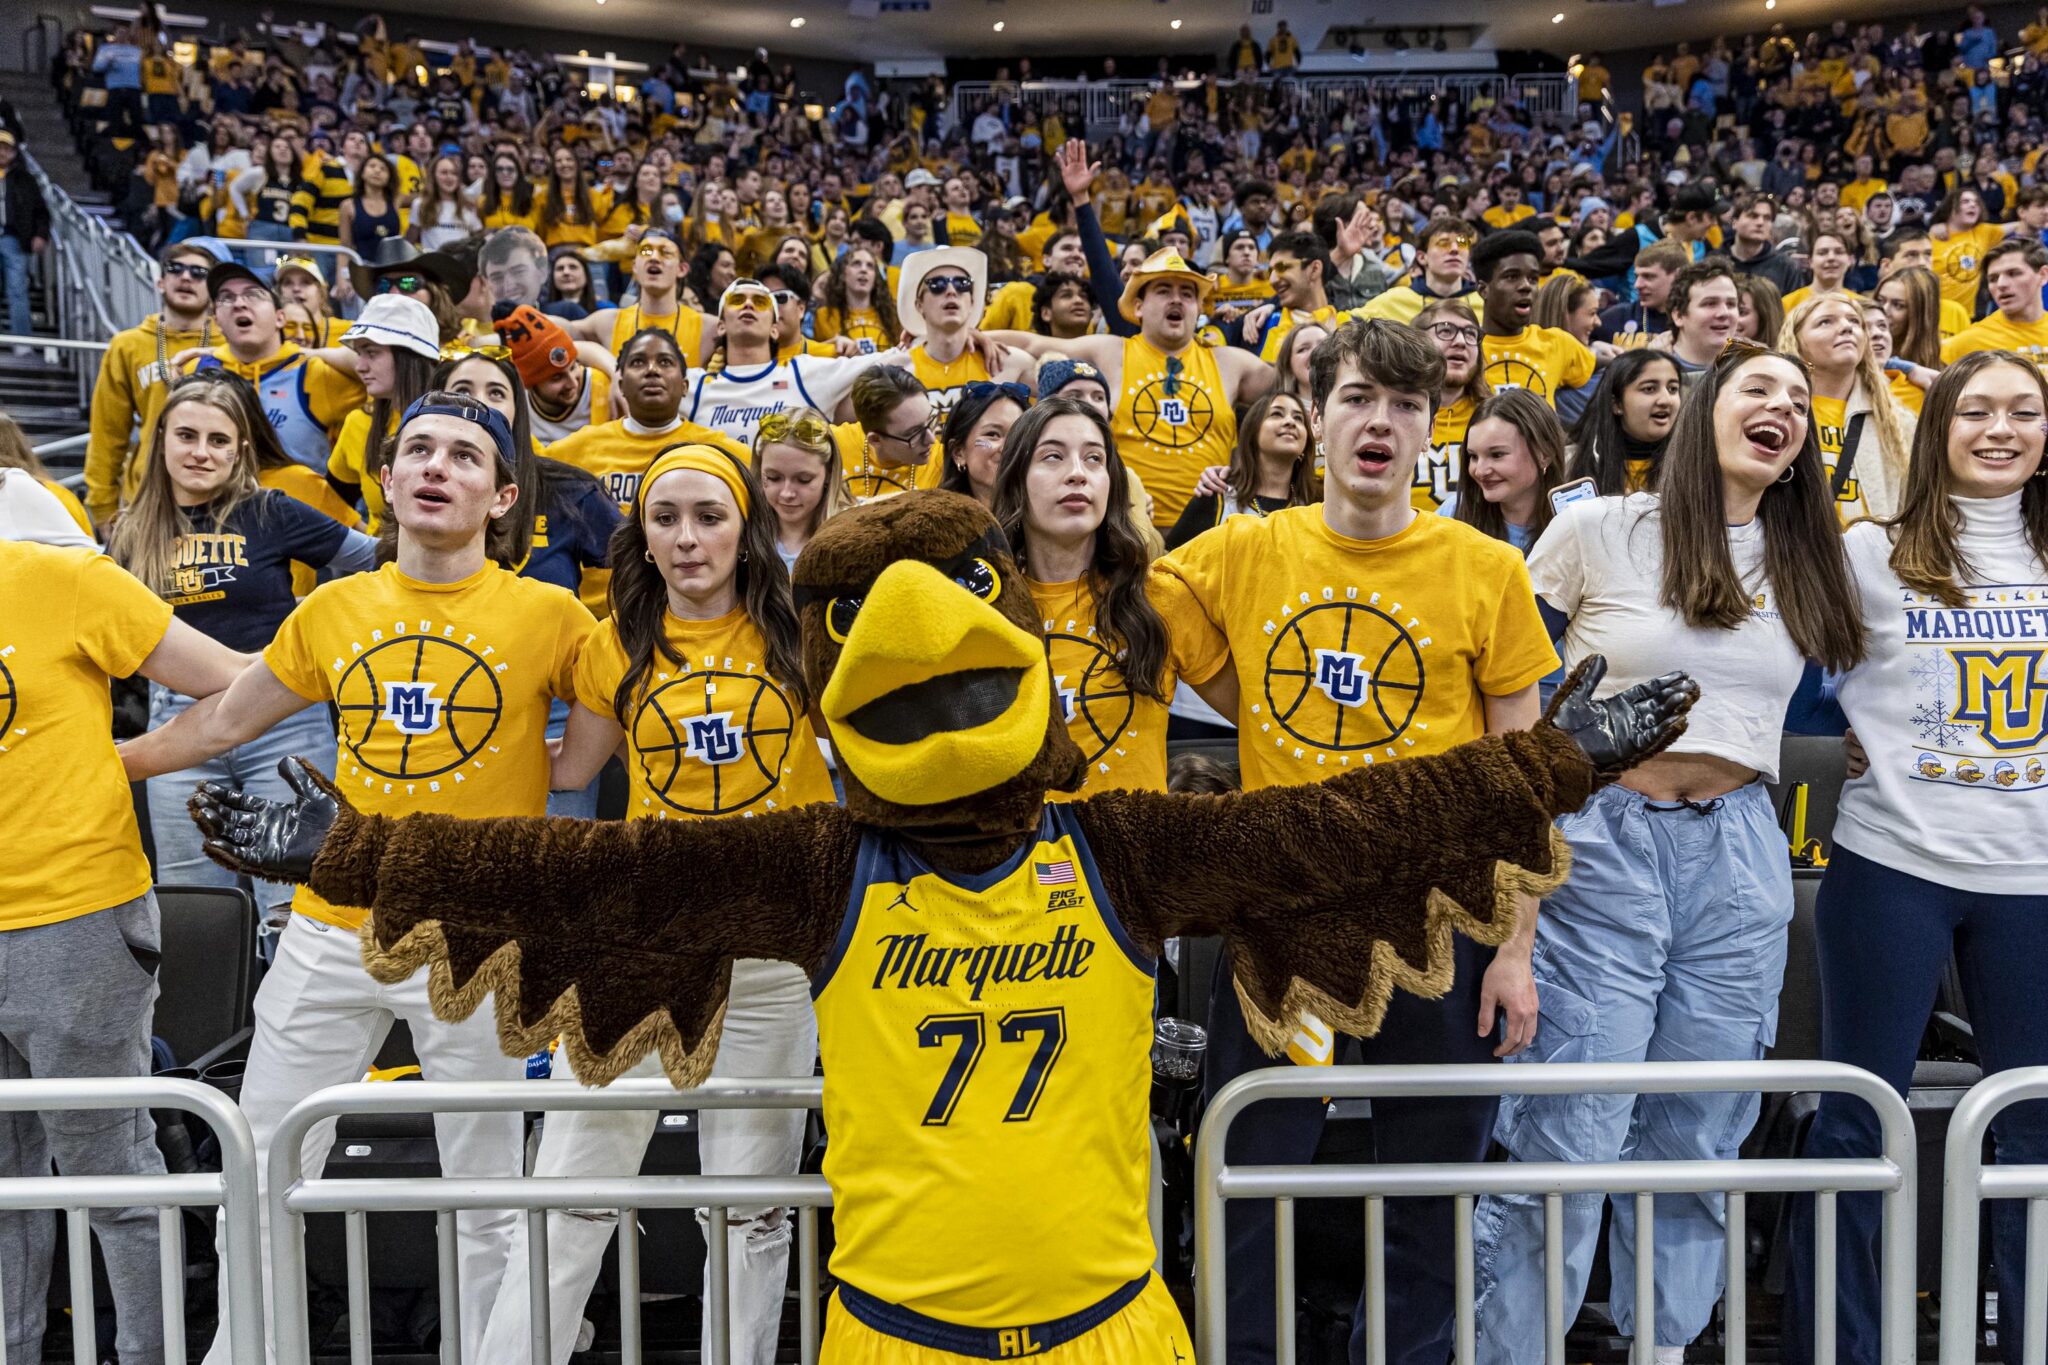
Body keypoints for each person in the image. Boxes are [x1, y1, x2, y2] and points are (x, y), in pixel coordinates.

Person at [119, 391, 598, 1365]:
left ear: (502, 496)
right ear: (383, 480)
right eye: (417, 448)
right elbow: (217, 724)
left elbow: (580, 763)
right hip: (335, 928)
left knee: (486, 1191)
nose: (435, 466)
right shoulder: (333, 605)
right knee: (261, 1165)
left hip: (476, 935)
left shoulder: (551, 615)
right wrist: (101, 765)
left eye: (464, 456)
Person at [1159, 319, 1562, 1365]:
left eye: (1403, 404)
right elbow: (1130, 596)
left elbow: (1521, 791)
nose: (1377, 421)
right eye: (1355, 398)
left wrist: (1514, 953)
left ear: (1430, 429)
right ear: (1315, 412)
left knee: (1427, 1197)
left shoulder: (1483, 568)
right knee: (1249, 1183)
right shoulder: (1244, 549)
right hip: (1285, 929)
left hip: (1439, 924)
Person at [1472, 342, 1866, 1365]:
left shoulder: (1813, 556)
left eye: (1794, 398)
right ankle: (1514, 1353)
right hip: (1597, 841)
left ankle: (1663, 1349)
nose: (1779, 406)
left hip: (1738, 850)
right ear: (1702, 411)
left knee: (1698, 1132)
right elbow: (1503, 684)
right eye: (1755, 389)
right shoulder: (1596, 527)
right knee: (1571, 1128)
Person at [475, 443, 830, 1365]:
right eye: (665, 517)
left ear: (748, 529)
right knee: (567, 1189)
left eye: (709, 516)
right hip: (639, 943)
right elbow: (566, 772)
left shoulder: (804, 630)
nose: (685, 536)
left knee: (752, 1210)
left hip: (770, 956)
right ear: (641, 531)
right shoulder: (614, 641)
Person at [1786, 350, 2048, 1365]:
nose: (1998, 429)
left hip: (2032, 880)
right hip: (1891, 866)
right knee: (1856, 1122)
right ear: (1935, 427)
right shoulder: (1866, 551)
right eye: (1974, 410)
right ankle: (1835, 1351)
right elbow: (1798, 687)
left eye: (2021, 412)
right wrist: (1845, 727)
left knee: (2033, 1134)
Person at [0, 530, 246, 1365]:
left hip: (72, 916)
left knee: (107, 1166)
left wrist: (122, 763)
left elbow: (237, 682)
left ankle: (152, 1353)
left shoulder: (62, 578)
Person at [106, 372, 375, 948]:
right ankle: (217, 1036)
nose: (201, 452)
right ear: (161, 442)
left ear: (241, 450)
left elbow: (375, 560)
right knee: (194, 906)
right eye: (187, 435)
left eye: (219, 440)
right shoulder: (130, 532)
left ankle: (294, 1037)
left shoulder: (271, 511)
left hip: (281, 720)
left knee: (295, 905)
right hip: (176, 731)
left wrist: (319, 616)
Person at [987, 393, 1224, 799]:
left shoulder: (1159, 596)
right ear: (1016, 480)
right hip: (1016, 854)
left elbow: (1259, 715)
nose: (1078, 473)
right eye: (1052, 457)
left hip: (1129, 851)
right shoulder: (980, 607)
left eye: (1094, 459)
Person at [988, 245, 1273, 529]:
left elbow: (1302, 377)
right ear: (1138, 306)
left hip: (1213, 529)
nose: (1176, 300)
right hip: (1128, 528)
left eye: (1187, 294)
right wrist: (969, 335)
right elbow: (1031, 345)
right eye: (1163, 291)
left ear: (1198, 308)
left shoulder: (1230, 363)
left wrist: (1277, 308)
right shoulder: (1111, 352)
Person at [548, 328, 748, 517]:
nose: (652, 370)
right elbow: (528, 466)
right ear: (621, 386)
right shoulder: (581, 446)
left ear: (684, 386)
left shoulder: (718, 450)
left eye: (665, 362)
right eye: (637, 362)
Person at [185, 261, 365, 471]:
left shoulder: (314, 373)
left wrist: (311, 353)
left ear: (280, 317)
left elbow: (386, 370)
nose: (239, 304)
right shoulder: (197, 372)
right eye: (226, 297)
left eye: (253, 295)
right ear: (216, 321)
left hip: (295, 500)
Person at [86, 240, 218, 524]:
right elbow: (107, 432)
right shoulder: (127, 345)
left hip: (221, 504)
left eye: (199, 273)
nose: (185, 277)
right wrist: (102, 507)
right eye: (176, 269)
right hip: (145, 502)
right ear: (160, 282)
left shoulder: (231, 345)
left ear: (214, 292)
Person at [686, 277, 907, 445]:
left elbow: (891, 361)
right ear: (721, 326)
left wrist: (913, 338)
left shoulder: (803, 373)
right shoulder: (695, 387)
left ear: (774, 329)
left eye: (760, 302)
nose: (748, 304)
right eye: (737, 300)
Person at [1779, 293, 1916, 522]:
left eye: (1854, 321)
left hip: (1874, 555)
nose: (1846, 328)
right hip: (1794, 553)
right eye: (1826, 322)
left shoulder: (1899, 423)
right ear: (1796, 341)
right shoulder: (1777, 413)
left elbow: (1912, 508)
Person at [324, 294, 442, 533]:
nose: (360, 366)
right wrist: (365, 547)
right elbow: (331, 499)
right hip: (382, 566)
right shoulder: (359, 423)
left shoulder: (457, 423)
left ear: (409, 356)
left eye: (372, 353)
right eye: (359, 354)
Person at [897, 246, 1034, 426]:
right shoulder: (898, 369)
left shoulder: (1008, 362)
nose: (951, 291)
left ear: (972, 302)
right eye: (937, 284)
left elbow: (1069, 383)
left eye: (963, 283)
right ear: (919, 304)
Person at [1165, 390, 1316, 550]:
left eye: (1298, 418)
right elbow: (1170, 564)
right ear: (1252, 432)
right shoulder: (1216, 496)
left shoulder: (1315, 505)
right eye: (1276, 414)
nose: (1290, 422)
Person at [1473, 229, 1597, 406]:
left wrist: (1599, 348)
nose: (1526, 286)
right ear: (1483, 290)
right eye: (1512, 277)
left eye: (1532, 278)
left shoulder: (1557, 342)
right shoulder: (1464, 349)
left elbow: (1606, 366)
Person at [1441, 388, 1568, 554]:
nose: (1480, 470)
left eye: (1497, 455)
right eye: (1473, 456)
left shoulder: (1573, 521)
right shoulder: (1454, 511)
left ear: (1544, 453)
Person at [565, 230, 715, 364]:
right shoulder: (608, 322)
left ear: (682, 269)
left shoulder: (709, 328)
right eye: (646, 252)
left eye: (666, 253)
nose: (654, 258)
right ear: (635, 267)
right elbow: (556, 332)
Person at [499, 301, 617, 445]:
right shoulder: (516, 408)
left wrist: (617, 374)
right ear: (530, 384)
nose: (572, 382)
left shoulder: (606, 387)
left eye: (573, 367)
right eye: (557, 377)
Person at [1566, 349, 1684, 493]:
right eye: (1649, 389)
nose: (1666, 400)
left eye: (1672, 389)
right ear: (1616, 404)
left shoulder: (1693, 462)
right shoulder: (1570, 463)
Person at [1417, 298, 1492, 510]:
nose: (1460, 341)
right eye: (1446, 330)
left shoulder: (1496, 418)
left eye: (1470, 334)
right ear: (1418, 341)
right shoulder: (1391, 412)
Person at [755, 406, 853, 567]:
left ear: (829, 472)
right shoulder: (743, 533)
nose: (787, 493)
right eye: (773, 478)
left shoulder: (855, 533)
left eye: (803, 479)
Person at [1351, 218, 1486, 325]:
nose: (1455, 249)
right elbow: (1340, 325)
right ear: (1422, 257)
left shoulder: (1486, 303)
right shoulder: (1394, 300)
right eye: (1443, 243)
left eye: (1462, 243)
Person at [840, 364, 943, 500]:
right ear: (875, 439)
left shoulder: (942, 462)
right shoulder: (833, 445)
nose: (931, 439)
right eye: (913, 433)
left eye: (931, 420)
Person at [1942, 238, 2048, 366]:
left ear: (2043, 275)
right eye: (1993, 279)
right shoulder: (1968, 342)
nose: (2001, 284)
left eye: (2014, 273)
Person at [937, 380, 1030, 506]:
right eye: (992, 434)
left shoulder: (1052, 519)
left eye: (1019, 434)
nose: (1008, 447)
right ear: (958, 452)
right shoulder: (936, 521)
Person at [0, 128, 49, 350]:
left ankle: (22, 342)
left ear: (12, 153)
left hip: (13, 238)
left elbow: (41, 210)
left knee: (17, 290)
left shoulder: (24, 179)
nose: (1, 152)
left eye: (6, 148)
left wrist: (40, 234)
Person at [1660, 259, 1742, 379]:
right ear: (1678, 316)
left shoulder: (1756, 368)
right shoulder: (1649, 372)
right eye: (1710, 303)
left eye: (1731, 304)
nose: (1724, 313)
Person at [1593, 241, 1685, 343]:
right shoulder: (1616, 317)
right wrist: (1594, 346)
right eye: (1637, 276)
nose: (1638, 285)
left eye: (1648, 276)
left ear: (1677, 276)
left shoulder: (1693, 322)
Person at [814, 244, 899, 348]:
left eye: (870, 266)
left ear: (875, 278)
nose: (864, 270)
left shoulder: (892, 315)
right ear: (844, 274)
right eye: (856, 264)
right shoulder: (825, 316)